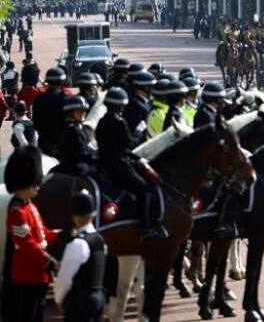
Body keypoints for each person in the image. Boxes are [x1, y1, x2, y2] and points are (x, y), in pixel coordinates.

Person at [95, 87, 168, 241]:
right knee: (144, 188)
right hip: (120, 164)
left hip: (104, 163)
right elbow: (130, 143)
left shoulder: (101, 121)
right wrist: (139, 131)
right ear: (121, 106)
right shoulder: (119, 122)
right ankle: (146, 226)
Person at [3, 145, 58, 322]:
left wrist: (60, 235)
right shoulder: (17, 212)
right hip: (27, 276)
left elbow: (42, 233)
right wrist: (48, 262)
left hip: (38, 275)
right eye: (34, 184)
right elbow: (27, 244)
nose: (37, 188)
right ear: (23, 185)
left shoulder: (30, 206)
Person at [52, 190, 106, 322]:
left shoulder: (78, 243)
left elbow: (65, 279)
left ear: (74, 217)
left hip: (80, 304)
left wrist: (58, 298)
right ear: (93, 215)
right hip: (98, 299)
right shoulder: (100, 240)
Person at [54, 95, 96, 177]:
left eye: (84, 110)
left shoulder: (78, 127)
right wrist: (96, 156)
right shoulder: (73, 129)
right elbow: (81, 152)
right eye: (79, 111)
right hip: (75, 168)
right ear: (70, 112)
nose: (83, 113)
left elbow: (86, 148)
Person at [33, 67, 70, 157]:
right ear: (62, 81)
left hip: (44, 142)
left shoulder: (39, 99)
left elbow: (36, 123)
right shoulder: (66, 99)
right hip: (62, 143)